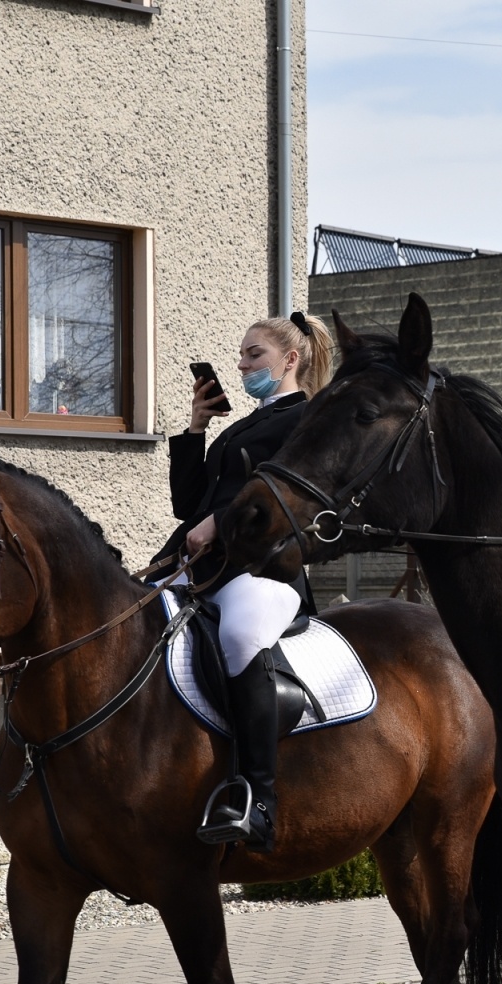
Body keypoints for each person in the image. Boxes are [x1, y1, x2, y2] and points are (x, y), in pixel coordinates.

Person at [154, 312, 333, 852]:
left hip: (261, 570)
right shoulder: (242, 426)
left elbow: (282, 496)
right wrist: (194, 427)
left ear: (290, 359)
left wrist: (223, 520)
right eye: (242, 355)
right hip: (198, 565)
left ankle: (259, 800)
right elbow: (186, 505)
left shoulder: (306, 420)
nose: (241, 365)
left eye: (254, 354)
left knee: (238, 638)